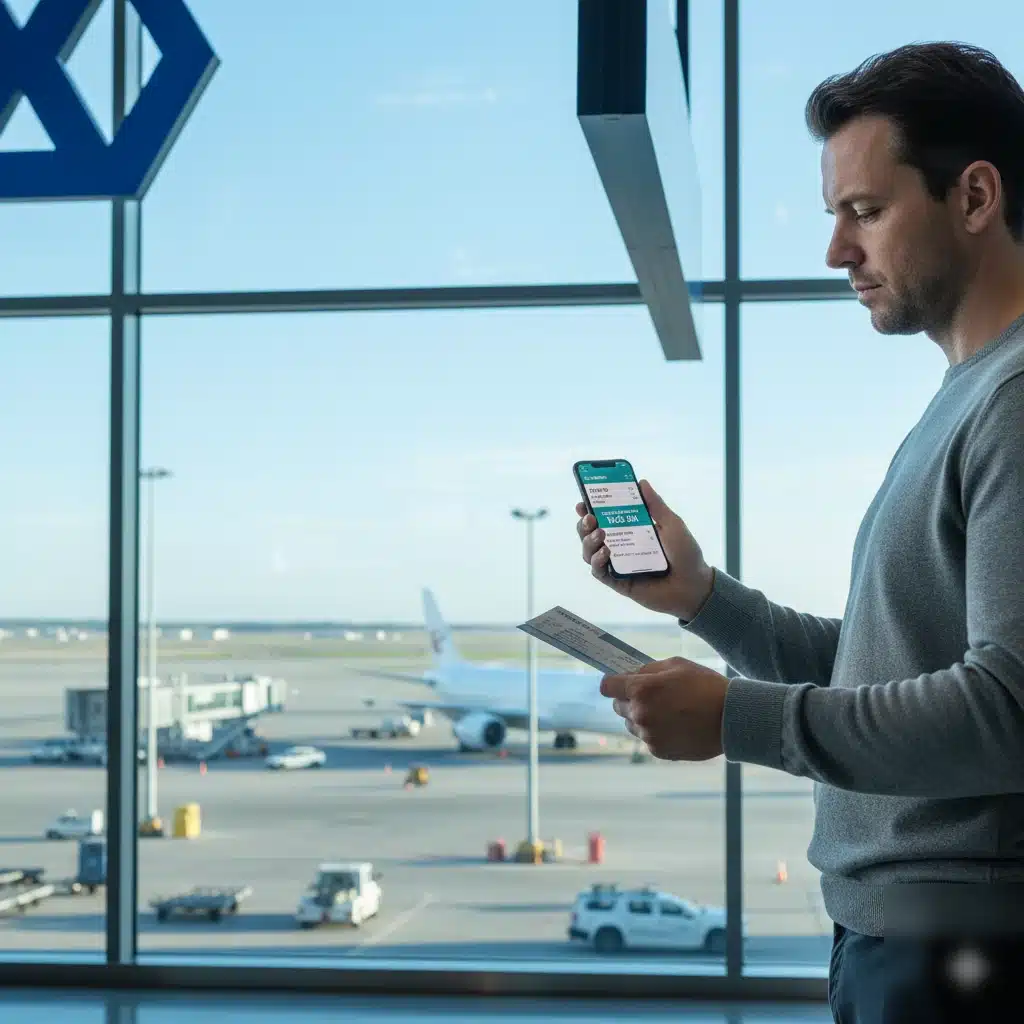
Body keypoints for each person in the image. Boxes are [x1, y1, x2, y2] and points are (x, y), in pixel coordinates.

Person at [576, 41, 1024, 1023]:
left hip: (961, 957)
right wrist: (701, 596)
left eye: (864, 212)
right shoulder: (967, 400)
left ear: (975, 197)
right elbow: (881, 665)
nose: (835, 251)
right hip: (904, 940)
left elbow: (1005, 711)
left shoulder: (1013, 401)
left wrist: (738, 718)